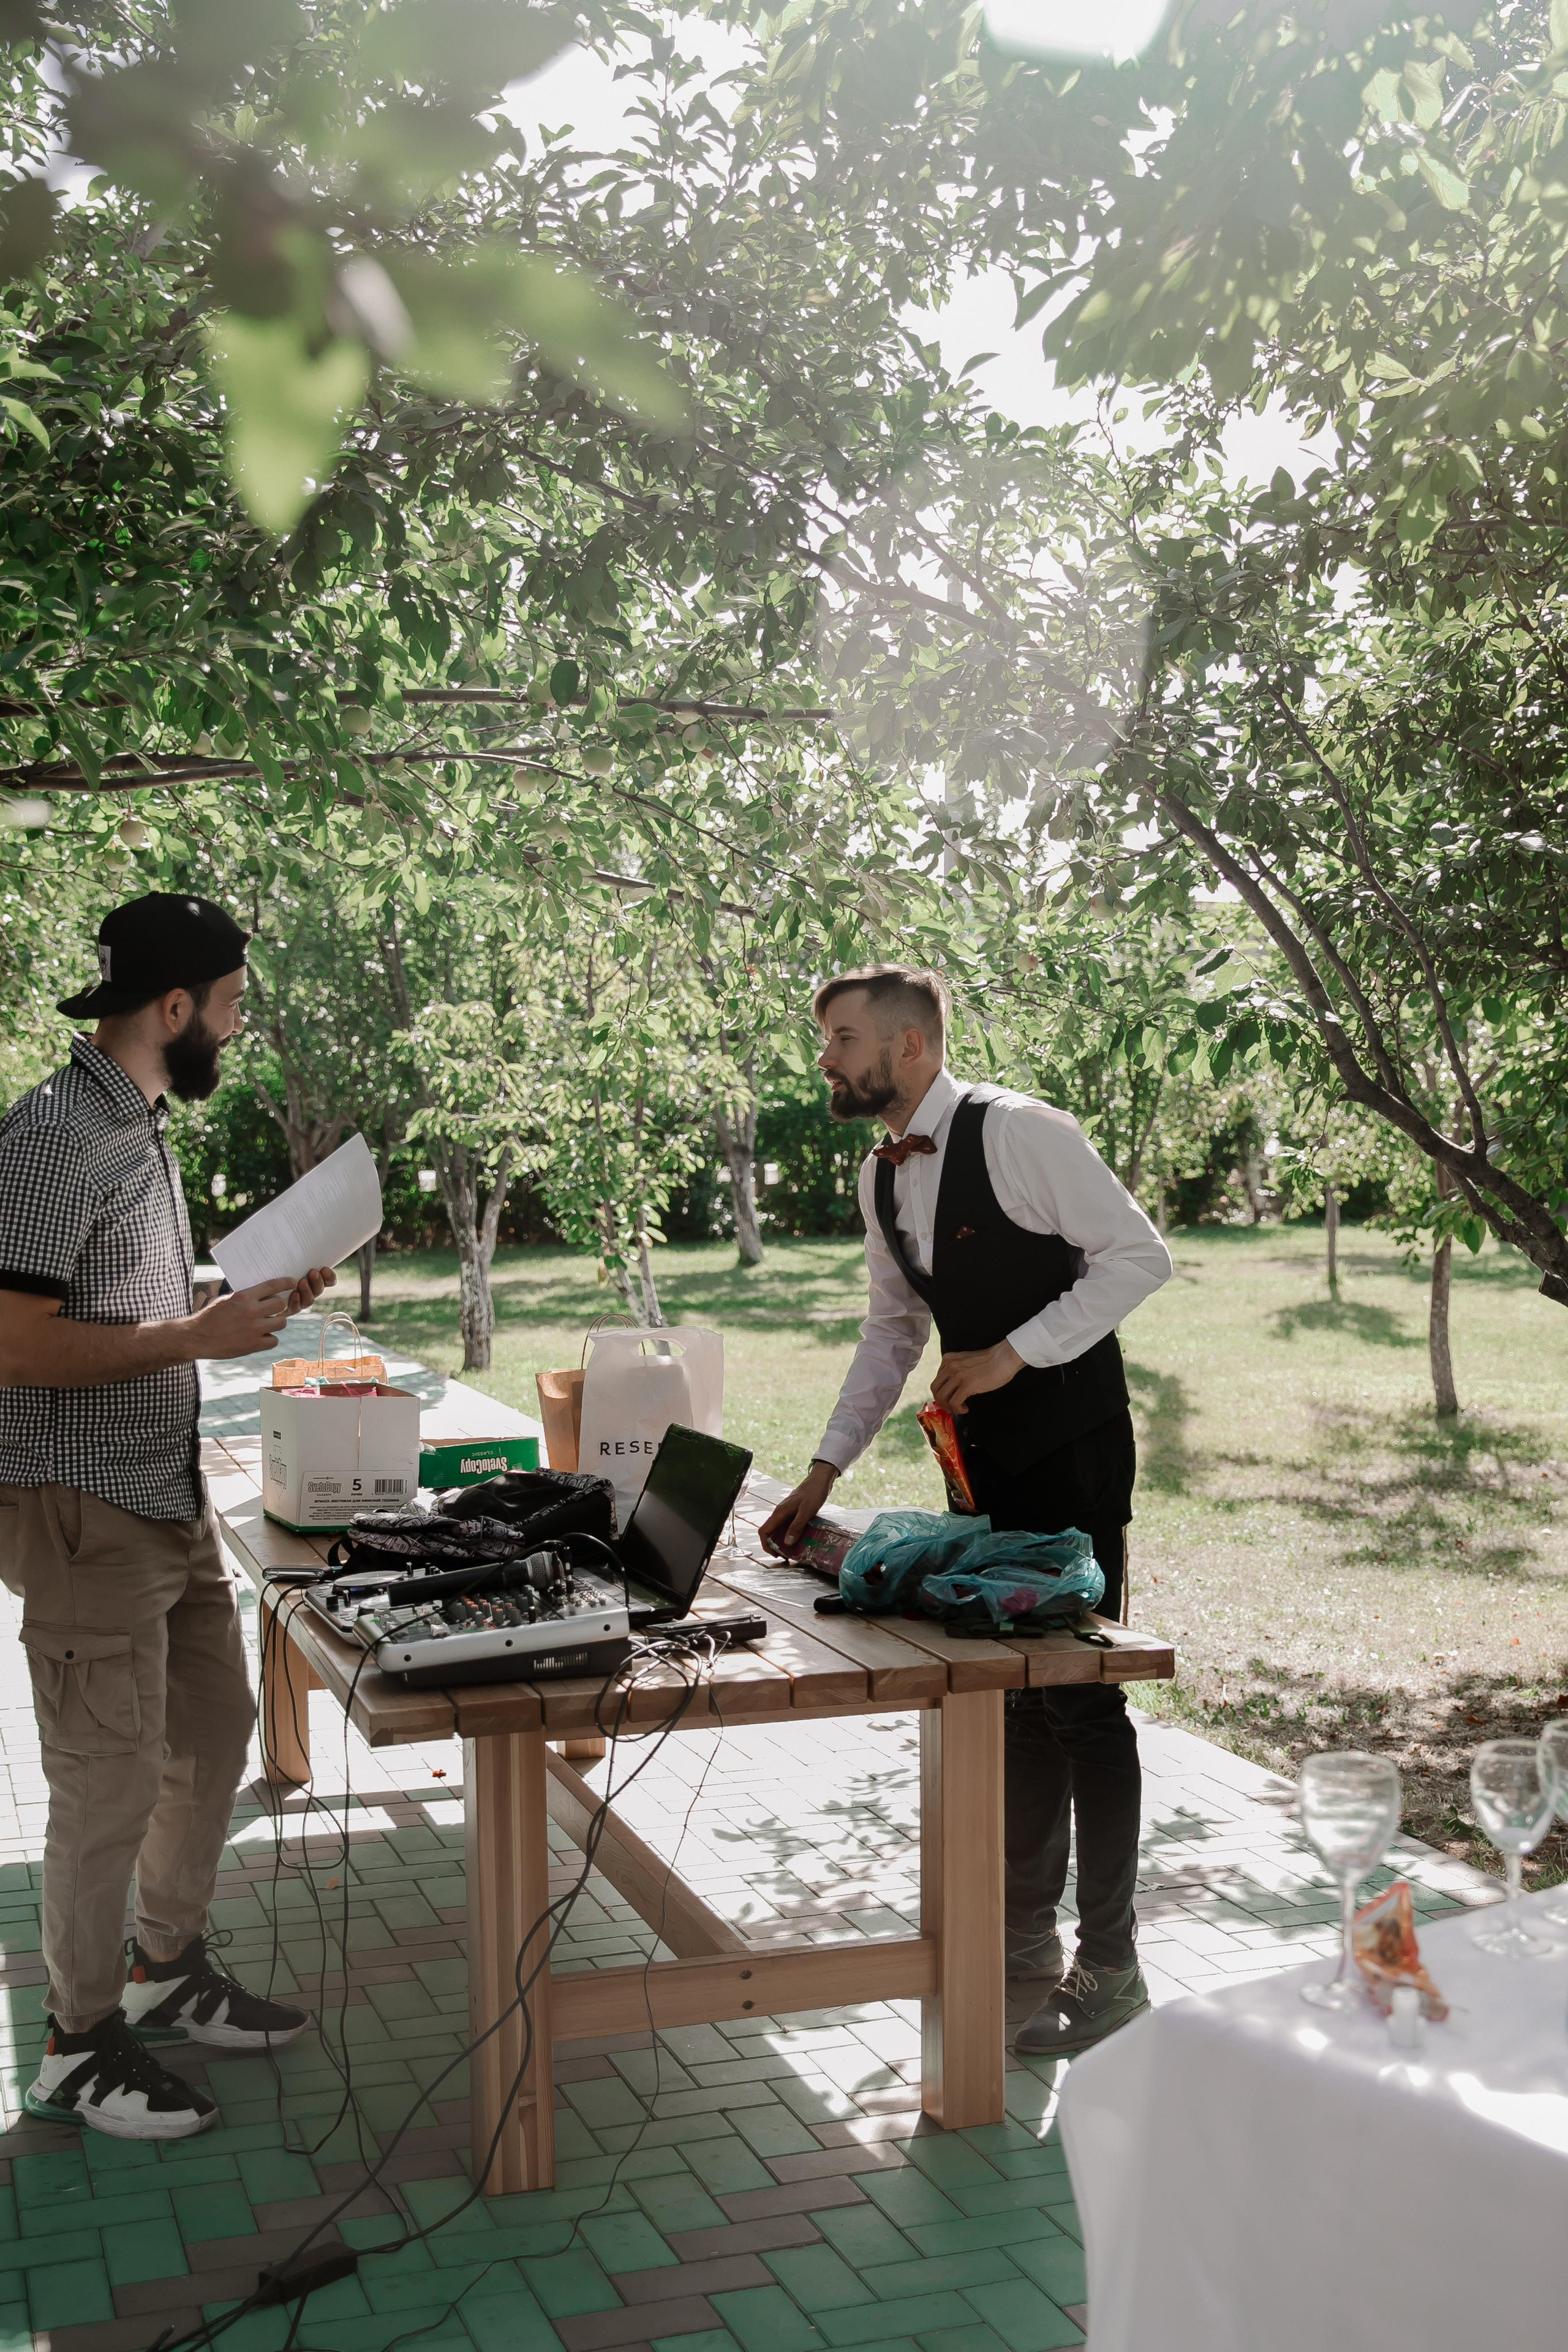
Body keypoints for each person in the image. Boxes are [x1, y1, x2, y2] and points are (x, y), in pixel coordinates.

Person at [761, 965, 1172, 2056]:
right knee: (1012, 1701)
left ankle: (1116, 1970)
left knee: (1081, 1702)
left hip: (1074, 1461)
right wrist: (822, 1471)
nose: (826, 1059)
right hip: (979, 1475)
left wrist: (1011, 1355)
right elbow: (892, 1334)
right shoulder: (878, 1177)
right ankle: (1026, 1940)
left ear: (909, 1047)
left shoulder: (1027, 1133)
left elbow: (1142, 1256)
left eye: (841, 1038)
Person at [0, 893, 337, 2140]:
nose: (240, 1027)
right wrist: (198, 1333)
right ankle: (76, 2047)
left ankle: (163, 1965)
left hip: (163, 1492)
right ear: (177, 1005)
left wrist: (233, 1296)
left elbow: (102, 1295)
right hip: (81, 1507)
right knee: (106, 1782)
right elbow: (16, 1342)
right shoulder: (48, 1135)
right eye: (235, 1003)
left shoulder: (129, 1122)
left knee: (214, 1722)